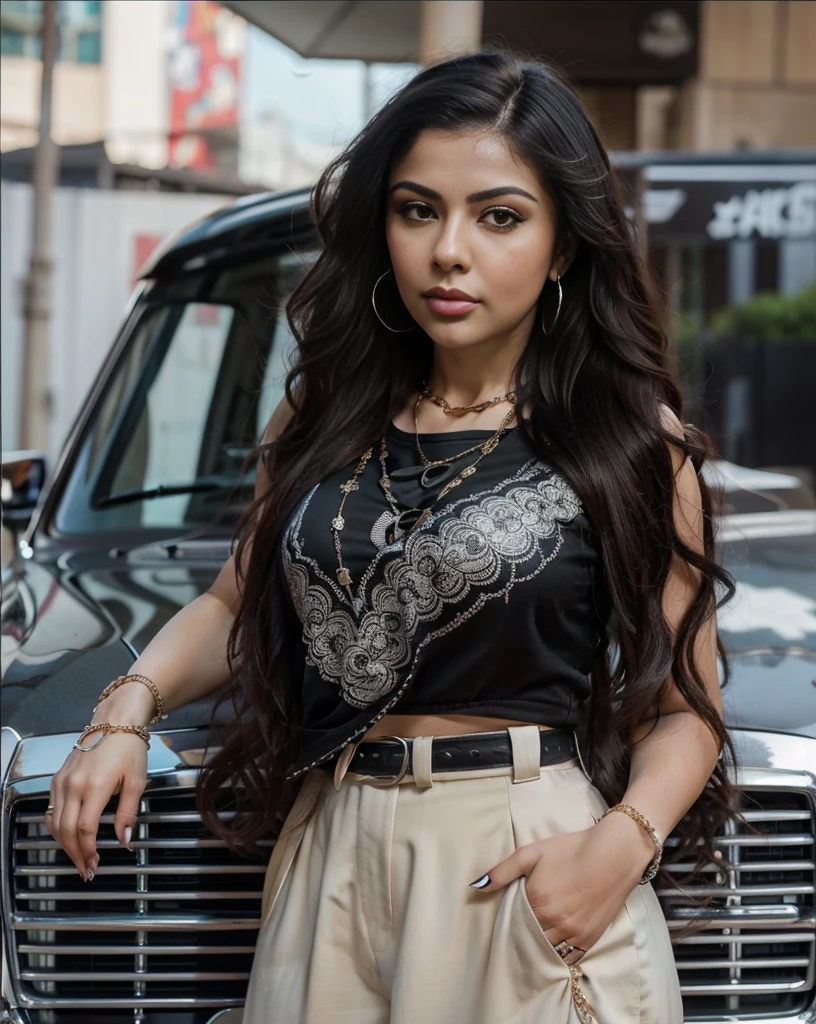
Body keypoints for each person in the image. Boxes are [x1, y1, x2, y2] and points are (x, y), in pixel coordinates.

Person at [44, 50, 738, 1024]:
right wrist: (125, 710)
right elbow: (230, 601)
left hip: (523, 864)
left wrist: (625, 840)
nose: (448, 250)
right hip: (332, 849)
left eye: (498, 216)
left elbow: (690, 704)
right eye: (418, 210)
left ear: (564, 246)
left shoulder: (629, 442)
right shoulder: (323, 424)